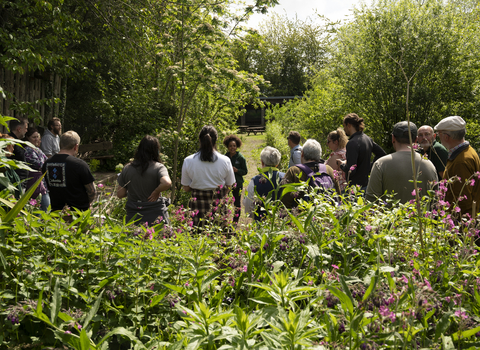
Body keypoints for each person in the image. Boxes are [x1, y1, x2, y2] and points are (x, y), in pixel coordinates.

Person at [366, 121, 438, 204]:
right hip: (422, 217)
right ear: (415, 139)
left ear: (393, 138)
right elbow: (435, 201)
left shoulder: (381, 164)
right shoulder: (429, 165)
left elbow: (370, 201)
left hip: (390, 216)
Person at [181, 125, 235, 228]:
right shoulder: (225, 160)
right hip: (218, 206)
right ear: (216, 140)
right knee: (218, 238)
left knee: (195, 238)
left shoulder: (188, 161)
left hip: (196, 207)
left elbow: (186, 188)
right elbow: (229, 185)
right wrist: (218, 195)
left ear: (199, 140)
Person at [117, 135, 172, 225]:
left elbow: (120, 194)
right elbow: (166, 183)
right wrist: (156, 191)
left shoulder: (127, 168)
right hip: (156, 216)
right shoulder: (159, 167)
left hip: (134, 217)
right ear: (156, 151)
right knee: (161, 238)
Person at [435, 116, 480, 216]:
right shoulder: (465, 152)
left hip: (460, 223)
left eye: (439, 134)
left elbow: (462, 200)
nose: (439, 138)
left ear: (446, 137)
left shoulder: (461, 161)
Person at [42, 131, 96, 211]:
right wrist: (89, 202)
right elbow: (92, 191)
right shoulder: (80, 165)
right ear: (76, 147)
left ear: (60, 145)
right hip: (78, 213)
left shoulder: (46, 164)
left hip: (56, 214)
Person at [281, 139, 339, 208]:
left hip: (302, 217)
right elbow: (338, 196)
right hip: (328, 215)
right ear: (319, 155)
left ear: (302, 154)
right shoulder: (328, 170)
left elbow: (285, 200)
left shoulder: (293, 171)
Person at [337, 113, 386, 190]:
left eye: (344, 126)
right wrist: (369, 167)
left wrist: (341, 165)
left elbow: (351, 170)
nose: (344, 129)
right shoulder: (367, 139)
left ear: (348, 125)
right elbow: (382, 154)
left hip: (354, 189)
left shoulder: (352, 143)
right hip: (366, 185)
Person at [243, 146, 285, 221]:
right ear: (277, 164)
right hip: (281, 222)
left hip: (261, 223)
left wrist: (253, 215)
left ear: (262, 162)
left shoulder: (255, 180)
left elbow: (248, 205)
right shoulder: (285, 178)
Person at [24, 127, 50, 211]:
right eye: (34, 137)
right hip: (35, 183)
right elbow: (40, 164)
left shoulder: (38, 149)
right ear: (28, 138)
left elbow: (47, 161)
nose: (36, 139)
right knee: (43, 207)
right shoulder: (28, 150)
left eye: (37, 137)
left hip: (42, 183)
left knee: (45, 206)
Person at [223, 135, 248, 224]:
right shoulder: (225, 157)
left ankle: (235, 221)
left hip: (237, 183)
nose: (232, 148)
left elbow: (245, 171)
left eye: (234, 146)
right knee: (224, 201)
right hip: (227, 183)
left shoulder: (240, 158)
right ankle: (224, 219)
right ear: (227, 146)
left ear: (237, 146)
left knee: (237, 203)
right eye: (230, 146)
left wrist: (237, 170)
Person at [1, 134, 23, 199]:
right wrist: (11, 196)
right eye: (12, 146)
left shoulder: (6, 161)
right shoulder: (4, 162)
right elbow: (6, 182)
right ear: (6, 146)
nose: (13, 149)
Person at [7, 117, 29, 183]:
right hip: (14, 183)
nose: (26, 131)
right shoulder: (10, 142)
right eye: (26, 128)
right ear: (19, 129)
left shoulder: (16, 141)